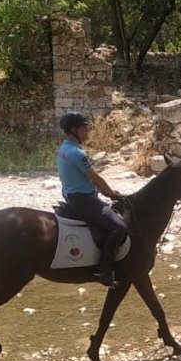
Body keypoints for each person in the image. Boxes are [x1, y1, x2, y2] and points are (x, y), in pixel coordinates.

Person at [56, 111, 127, 287]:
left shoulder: (63, 149)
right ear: (74, 130)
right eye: (84, 128)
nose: (87, 132)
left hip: (71, 196)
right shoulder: (77, 153)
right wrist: (113, 195)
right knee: (119, 228)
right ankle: (104, 271)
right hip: (84, 200)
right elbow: (96, 179)